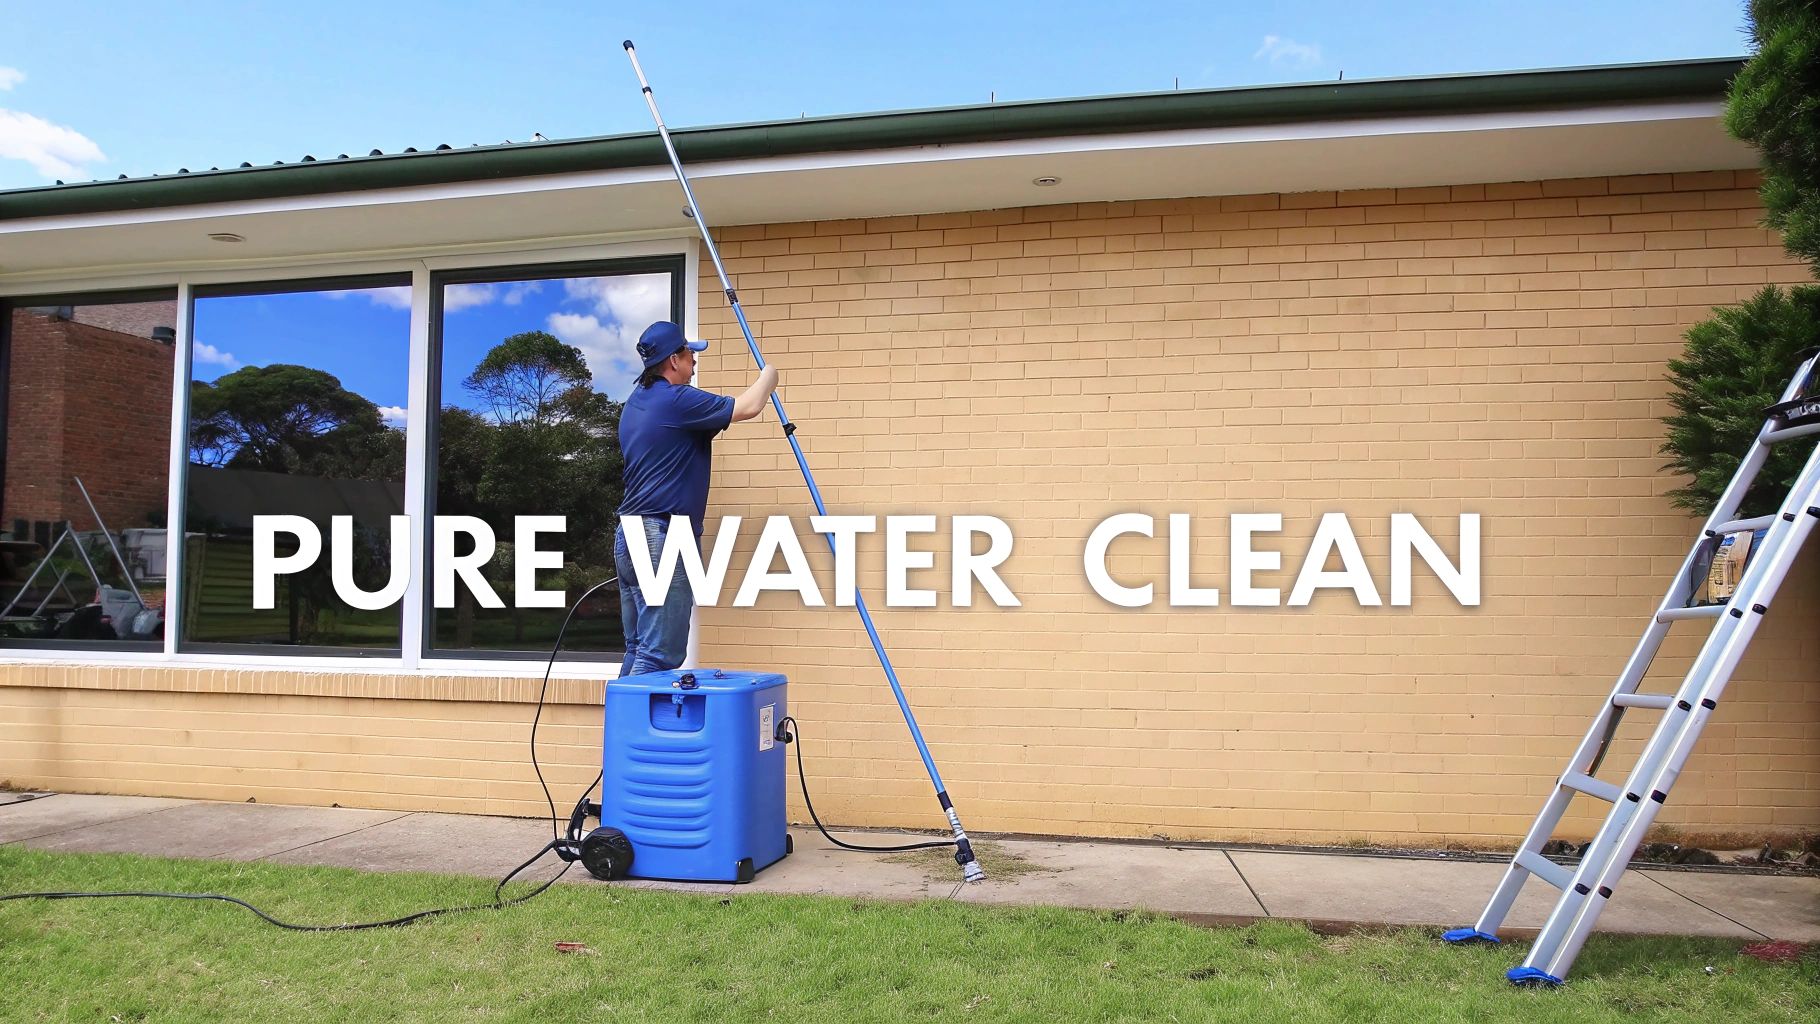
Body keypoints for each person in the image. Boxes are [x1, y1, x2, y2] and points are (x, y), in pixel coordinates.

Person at [614, 320, 779, 677]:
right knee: (659, 654)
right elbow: (749, 406)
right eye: (690, 355)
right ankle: (635, 734)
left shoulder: (635, 404)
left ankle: (619, 733)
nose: (694, 362)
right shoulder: (676, 400)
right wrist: (770, 374)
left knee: (639, 648)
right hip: (662, 534)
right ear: (673, 360)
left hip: (629, 536)